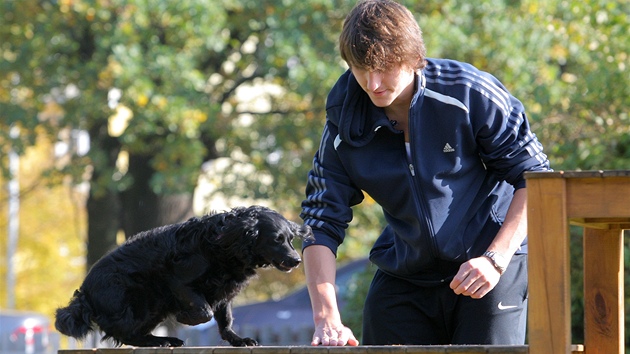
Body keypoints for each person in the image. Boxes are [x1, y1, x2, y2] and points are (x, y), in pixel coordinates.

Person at [299, 0, 551, 347]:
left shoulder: (470, 92)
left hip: (490, 261)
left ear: (414, 58)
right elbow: (320, 221)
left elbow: (536, 179)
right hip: (406, 271)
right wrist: (326, 318)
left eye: (384, 68)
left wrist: (495, 259)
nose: (373, 84)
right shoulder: (344, 121)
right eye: (361, 69)